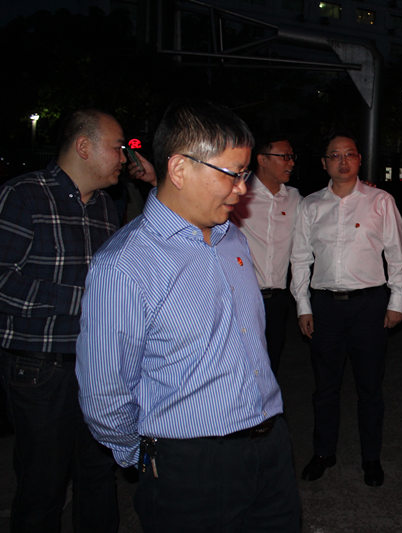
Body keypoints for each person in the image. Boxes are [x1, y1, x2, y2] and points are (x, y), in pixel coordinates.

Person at [76, 100, 301, 531]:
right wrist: (147, 456)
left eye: (246, 174)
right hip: (190, 465)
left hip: (270, 445)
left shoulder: (231, 237)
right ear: (180, 169)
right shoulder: (125, 265)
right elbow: (105, 392)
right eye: (232, 174)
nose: (242, 190)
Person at [0, 108, 155, 532]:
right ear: (83, 147)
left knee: (98, 475)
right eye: (117, 147)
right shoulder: (24, 195)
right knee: (43, 484)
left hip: (96, 365)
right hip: (41, 367)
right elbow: (4, 282)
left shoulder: (105, 205)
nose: (124, 157)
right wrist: (86, 299)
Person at [291, 131, 402, 487]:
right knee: (325, 387)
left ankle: (371, 458)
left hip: (368, 306)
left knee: (369, 387)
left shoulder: (380, 201)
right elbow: (300, 258)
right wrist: (303, 305)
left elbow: (396, 254)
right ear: (324, 163)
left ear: (359, 159)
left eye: (350, 154)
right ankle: (323, 452)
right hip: (325, 306)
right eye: (335, 155)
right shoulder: (310, 205)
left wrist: (397, 301)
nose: (343, 161)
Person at [232, 135, 302, 376]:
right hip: (242, 297)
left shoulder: (295, 199)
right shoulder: (238, 193)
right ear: (262, 159)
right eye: (284, 157)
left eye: (292, 157)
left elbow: (326, 210)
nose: (291, 162)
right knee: (239, 365)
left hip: (278, 301)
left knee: (270, 365)